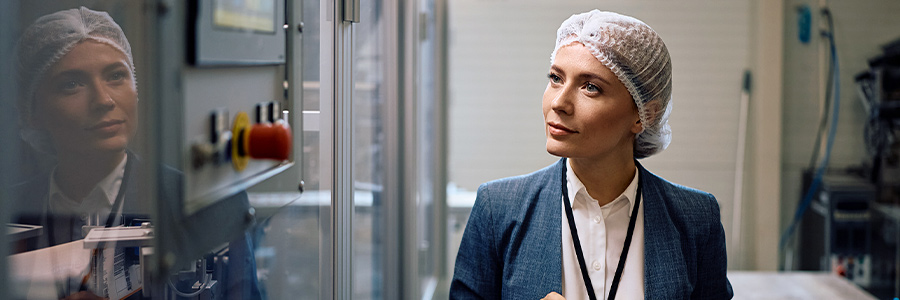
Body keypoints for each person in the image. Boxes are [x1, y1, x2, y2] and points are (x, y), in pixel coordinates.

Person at [450, 10, 733, 299]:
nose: (559, 102)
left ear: (643, 114)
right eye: (556, 78)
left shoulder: (696, 219)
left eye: (590, 87)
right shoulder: (498, 210)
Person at [9, 7, 261, 299]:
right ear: (32, 112)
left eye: (116, 75)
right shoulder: (14, 210)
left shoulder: (210, 208)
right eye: (71, 84)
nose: (103, 100)